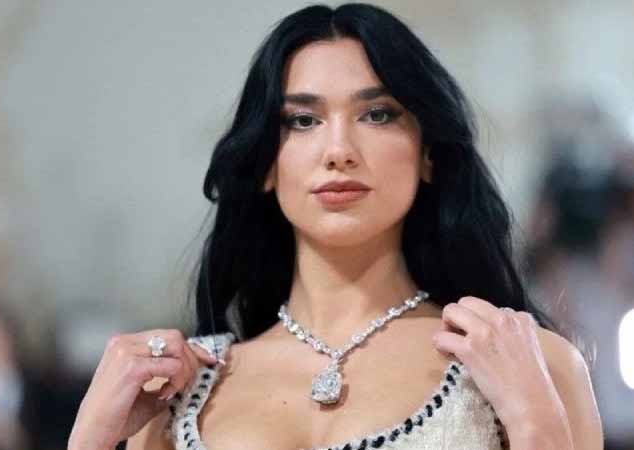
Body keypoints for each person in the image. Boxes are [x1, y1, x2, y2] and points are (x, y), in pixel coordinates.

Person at [69, 4, 603, 450]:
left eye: (378, 114)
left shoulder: (529, 366)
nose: (339, 150)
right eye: (303, 121)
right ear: (266, 164)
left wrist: (537, 426)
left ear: (428, 153)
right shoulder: (177, 394)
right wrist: (90, 437)